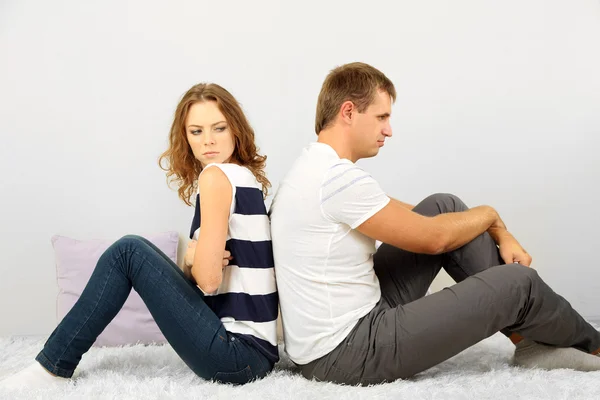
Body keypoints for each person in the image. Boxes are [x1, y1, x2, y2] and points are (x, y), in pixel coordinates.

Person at [269, 62, 600, 385]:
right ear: (348, 112)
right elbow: (434, 239)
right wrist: (493, 217)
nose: (388, 130)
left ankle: (528, 341)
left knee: (445, 206)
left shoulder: (314, 169)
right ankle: (593, 345)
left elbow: (419, 219)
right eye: (382, 117)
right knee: (519, 283)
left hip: (331, 341)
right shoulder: (336, 180)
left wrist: (489, 225)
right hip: (348, 352)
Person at [1, 83, 278, 390]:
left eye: (219, 128)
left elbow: (209, 280)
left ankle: (52, 368)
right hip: (256, 355)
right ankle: (53, 365)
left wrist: (194, 258)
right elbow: (206, 278)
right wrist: (192, 259)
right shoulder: (244, 179)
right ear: (185, 137)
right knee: (136, 249)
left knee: (127, 252)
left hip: (237, 356)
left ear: (235, 130)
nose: (208, 141)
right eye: (196, 131)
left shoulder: (216, 177)